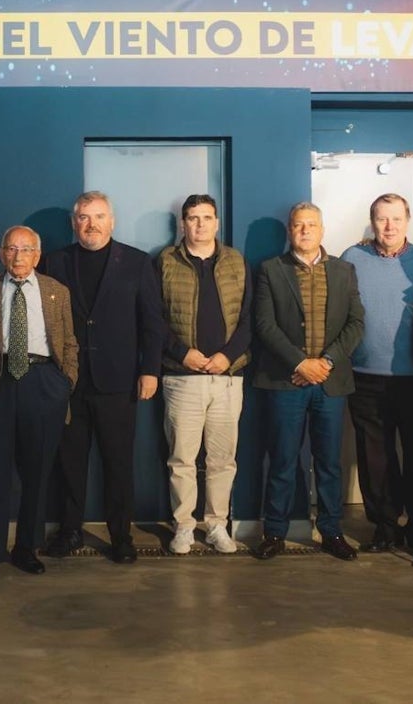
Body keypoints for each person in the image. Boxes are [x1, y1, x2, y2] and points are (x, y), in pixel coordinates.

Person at [41, 191, 166, 564]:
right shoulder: (54, 262)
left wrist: (149, 370)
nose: (90, 224)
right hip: (69, 381)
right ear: (73, 222)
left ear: (111, 222)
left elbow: (152, 323)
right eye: (83, 217)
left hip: (119, 381)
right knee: (69, 463)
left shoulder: (137, 263)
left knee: (118, 463)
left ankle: (121, 536)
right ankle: (69, 530)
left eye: (98, 216)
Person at [0, 226, 78, 586]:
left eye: (26, 249)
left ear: (37, 255)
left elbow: (70, 343)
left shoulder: (57, 292)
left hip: (44, 383)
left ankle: (27, 548)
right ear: (1, 253)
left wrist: (65, 384)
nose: (18, 256)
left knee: (37, 473)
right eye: (11, 249)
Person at [253, 202, 364, 562]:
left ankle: (331, 531)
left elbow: (356, 324)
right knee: (283, 460)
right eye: (298, 225)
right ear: (290, 231)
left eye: (311, 225)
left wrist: (326, 362)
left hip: (330, 383)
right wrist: (301, 363)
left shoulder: (345, 271)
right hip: (287, 382)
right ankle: (275, 533)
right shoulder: (270, 270)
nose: (305, 231)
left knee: (329, 461)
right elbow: (265, 325)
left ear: (322, 230)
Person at [339, 194, 413, 553]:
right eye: (382, 219)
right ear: (373, 222)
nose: (389, 226)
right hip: (366, 375)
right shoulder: (353, 258)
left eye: (396, 219)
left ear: (408, 221)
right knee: (374, 457)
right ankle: (384, 525)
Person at [157, 194, 251, 555]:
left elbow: (247, 319)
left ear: (217, 223)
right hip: (182, 378)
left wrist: (228, 356)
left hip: (228, 378)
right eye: (192, 218)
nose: (200, 224)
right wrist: (184, 353)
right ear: (182, 223)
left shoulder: (236, 262)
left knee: (222, 459)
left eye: (206, 218)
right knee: (181, 458)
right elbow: (155, 319)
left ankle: (216, 525)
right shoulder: (165, 261)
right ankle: (183, 526)